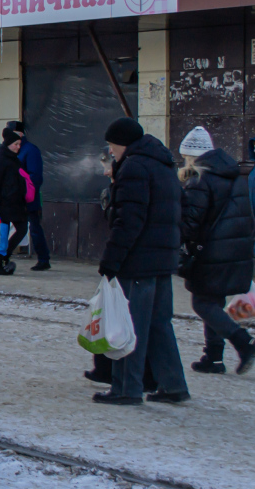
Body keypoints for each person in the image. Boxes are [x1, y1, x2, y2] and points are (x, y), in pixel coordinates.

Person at [95, 118, 190, 405]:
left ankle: (127, 388)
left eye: (112, 146)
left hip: (138, 261)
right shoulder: (164, 165)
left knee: (130, 325)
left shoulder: (134, 167)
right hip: (162, 259)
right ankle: (173, 385)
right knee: (160, 324)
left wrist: (111, 260)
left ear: (122, 143)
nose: (112, 152)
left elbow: (129, 220)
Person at [177, 126, 255, 375]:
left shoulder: (200, 178)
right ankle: (213, 358)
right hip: (236, 249)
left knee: (202, 303)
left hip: (212, 252)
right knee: (213, 301)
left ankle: (244, 343)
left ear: (190, 155)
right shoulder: (233, 174)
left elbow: (191, 221)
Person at [6, 121, 51, 271]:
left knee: (33, 227)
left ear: (19, 133)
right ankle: (3, 256)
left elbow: (35, 177)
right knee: (22, 228)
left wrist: (23, 191)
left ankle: (43, 259)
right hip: (17, 197)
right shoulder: (17, 150)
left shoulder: (30, 150)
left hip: (27, 198)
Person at [0, 128, 29, 275]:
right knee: (2, 235)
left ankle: (5, 256)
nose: (18, 147)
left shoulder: (14, 160)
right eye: (16, 144)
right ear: (9, 144)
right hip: (3, 204)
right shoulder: (0, 160)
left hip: (16, 203)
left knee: (22, 229)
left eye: (19, 144)